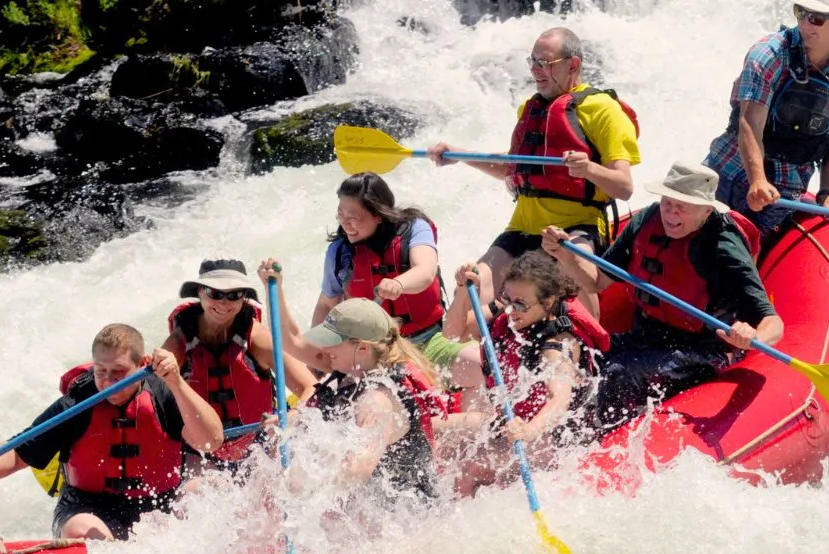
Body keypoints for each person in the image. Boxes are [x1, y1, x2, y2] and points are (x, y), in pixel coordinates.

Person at [542, 162, 784, 428]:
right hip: (645, 334)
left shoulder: (724, 246)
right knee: (579, 349)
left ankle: (594, 439)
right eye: (668, 201)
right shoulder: (647, 220)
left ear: (706, 210)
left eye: (683, 205)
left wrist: (752, 338)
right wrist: (564, 254)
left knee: (620, 373)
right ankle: (555, 420)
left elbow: (773, 323)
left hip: (701, 349)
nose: (670, 212)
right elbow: (596, 282)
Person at [427, 26, 640, 318]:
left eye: (544, 63)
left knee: (578, 286)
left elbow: (624, 187)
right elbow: (513, 166)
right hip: (522, 227)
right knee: (471, 291)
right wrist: (460, 156)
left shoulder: (603, 109)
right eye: (532, 62)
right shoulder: (530, 108)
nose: (535, 71)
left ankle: (591, 350)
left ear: (572, 64)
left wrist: (588, 168)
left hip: (574, 228)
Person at [0, 324, 226, 541]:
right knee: (82, 529)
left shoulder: (164, 394)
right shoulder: (77, 404)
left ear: (142, 365)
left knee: (205, 490)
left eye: (119, 371)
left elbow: (211, 441)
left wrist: (176, 383)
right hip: (89, 509)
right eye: (101, 370)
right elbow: (19, 453)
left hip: (157, 503)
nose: (108, 381)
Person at [261, 262, 445, 505]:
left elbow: (358, 469)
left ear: (363, 347)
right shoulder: (349, 365)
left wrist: (296, 487)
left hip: (407, 519)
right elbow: (291, 339)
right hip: (369, 512)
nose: (325, 348)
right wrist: (273, 286)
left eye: (332, 341)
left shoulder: (379, 399)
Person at [435, 251, 610, 498]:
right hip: (511, 421)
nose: (510, 310)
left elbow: (559, 398)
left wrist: (530, 430)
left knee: (467, 469)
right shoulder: (510, 308)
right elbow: (453, 333)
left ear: (547, 302)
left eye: (520, 305)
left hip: (556, 437)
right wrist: (464, 290)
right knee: (433, 429)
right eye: (507, 298)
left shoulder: (559, 343)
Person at [703, 1, 829, 248]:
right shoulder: (768, 54)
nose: (804, 24)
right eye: (801, 13)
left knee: (739, 254)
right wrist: (758, 180)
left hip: (785, 185)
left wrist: (826, 193)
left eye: (816, 18)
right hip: (729, 167)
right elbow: (749, 122)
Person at [316, 172, 482, 389]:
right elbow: (327, 304)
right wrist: (319, 354)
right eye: (341, 215)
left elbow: (425, 270)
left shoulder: (414, 228)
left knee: (475, 360)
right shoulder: (339, 252)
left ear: (378, 215)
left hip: (428, 340)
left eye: (353, 217)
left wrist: (399, 284)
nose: (345, 224)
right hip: (375, 355)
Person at [162, 258, 316, 472]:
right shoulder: (179, 342)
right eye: (215, 293)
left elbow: (312, 388)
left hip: (260, 440)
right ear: (200, 292)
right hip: (201, 451)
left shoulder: (257, 338)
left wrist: (293, 416)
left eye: (234, 295)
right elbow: (149, 391)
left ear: (244, 298)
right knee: (195, 493)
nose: (224, 304)